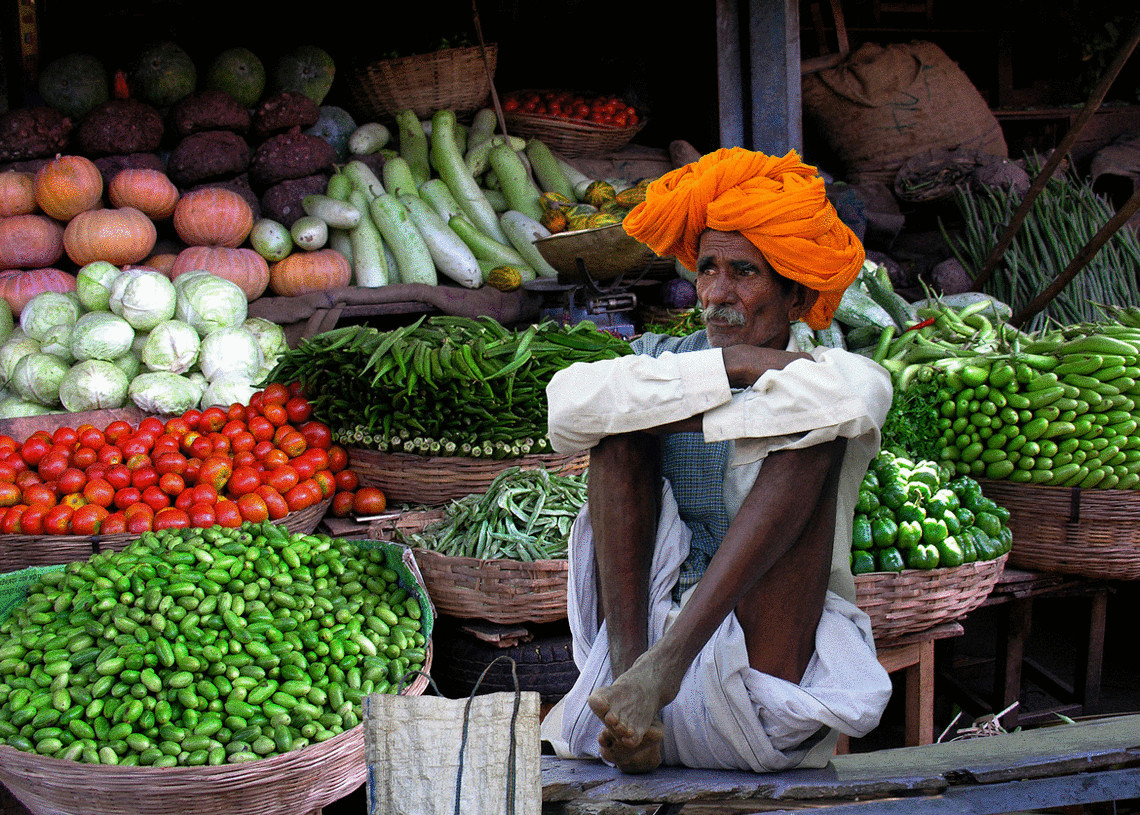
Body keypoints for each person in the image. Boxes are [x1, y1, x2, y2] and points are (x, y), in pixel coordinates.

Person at [540, 147, 894, 775]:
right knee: (618, 431)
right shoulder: (663, 355)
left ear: (794, 296)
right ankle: (636, 684)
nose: (717, 294)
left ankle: (663, 671)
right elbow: (567, 409)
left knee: (813, 435)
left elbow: (848, 397)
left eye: (744, 273)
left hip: (763, 682)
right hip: (629, 678)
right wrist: (731, 369)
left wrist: (687, 396)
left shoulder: (838, 373)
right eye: (707, 270)